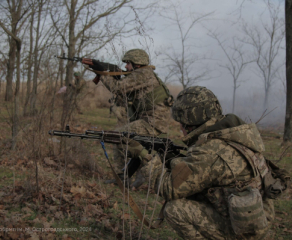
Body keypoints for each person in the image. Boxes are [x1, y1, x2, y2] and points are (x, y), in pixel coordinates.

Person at [124, 86, 279, 239]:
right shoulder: (234, 133)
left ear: (189, 121)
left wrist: (145, 156)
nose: (180, 128)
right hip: (257, 216)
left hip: (244, 230)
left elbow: (168, 188)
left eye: (181, 122)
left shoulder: (210, 151)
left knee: (175, 210)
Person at [90, 49, 173, 188]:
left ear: (137, 63)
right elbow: (124, 95)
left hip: (152, 122)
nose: (126, 67)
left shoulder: (143, 73)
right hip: (152, 120)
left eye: (128, 63)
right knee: (132, 142)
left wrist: (102, 73)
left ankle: (126, 177)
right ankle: (137, 174)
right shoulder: (143, 74)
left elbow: (117, 88)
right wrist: (114, 77)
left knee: (118, 136)